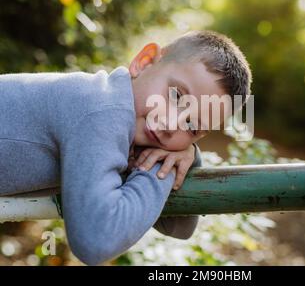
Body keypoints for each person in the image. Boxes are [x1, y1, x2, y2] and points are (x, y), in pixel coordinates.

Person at [0, 30, 252, 265]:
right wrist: (159, 170)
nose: (169, 123)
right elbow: (96, 240)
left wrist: (186, 158)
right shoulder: (102, 109)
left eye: (191, 125)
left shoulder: (128, 126)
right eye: (176, 95)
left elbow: (179, 227)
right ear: (145, 61)